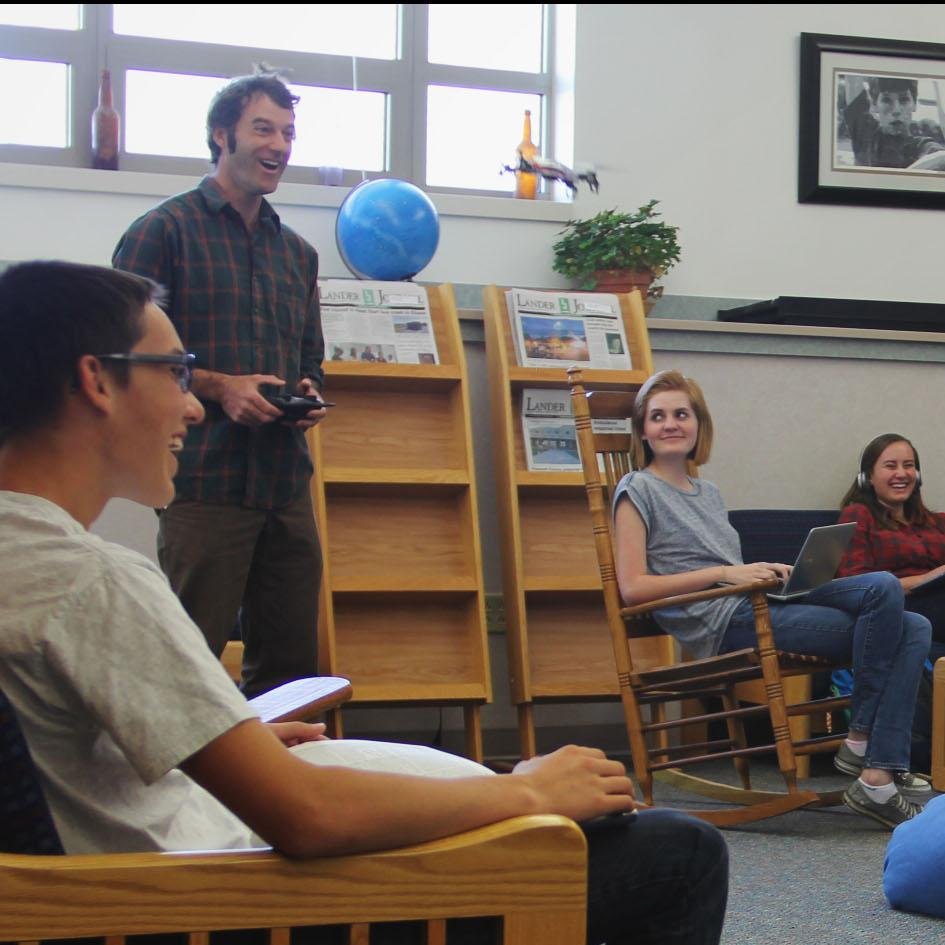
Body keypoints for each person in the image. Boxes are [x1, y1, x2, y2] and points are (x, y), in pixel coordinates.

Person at [0, 261, 729, 945]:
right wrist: (525, 792)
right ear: (96, 380)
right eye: (175, 372)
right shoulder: (88, 578)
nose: (191, 405)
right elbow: (309, 817)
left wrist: (218, 744)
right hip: (224, 901)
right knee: (678, 850)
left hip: (160, 861)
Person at [611, 369, 932, 830]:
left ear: (699, 423)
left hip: (757, 598)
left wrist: (768, 572)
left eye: (681, 414)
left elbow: (728, 566)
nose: (670, 424)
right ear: (643, 430)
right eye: (657, 416)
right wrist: (726, 572)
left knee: (890, 595)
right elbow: (633, 587)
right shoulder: (636, 490)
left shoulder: (708, 491)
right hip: (725, 622)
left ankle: (868, 753)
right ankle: (872, 764)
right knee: (908, 628)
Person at [112, 68, 325, 698]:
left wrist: (308, 392)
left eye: (288, 132)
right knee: (188, 667)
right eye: (264, 128)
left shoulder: (298, 254)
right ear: (220, 134)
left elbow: (309, 355)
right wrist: (220, 386)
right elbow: (128, 355)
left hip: (285, 484)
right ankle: (180, 795)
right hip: (204, 480)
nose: (280, 146)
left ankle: (283, 791)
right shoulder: (162, 232)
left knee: (292, 674)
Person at [837, 433, 945, 770]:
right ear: (867, 477)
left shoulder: (934, 522)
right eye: (891, 466)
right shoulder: (858, 516)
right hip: (899, 611)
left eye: (909, 466)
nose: (902, 473)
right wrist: (928, 578)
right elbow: (856, 586)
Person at [843, 74, 945, 169]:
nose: (896, 110)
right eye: (886, 100)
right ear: (874, 105)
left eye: (904, 99)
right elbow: (852, 74)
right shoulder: (865, 132)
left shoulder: (925, 131)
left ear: (914, 104)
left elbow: (940, 157)